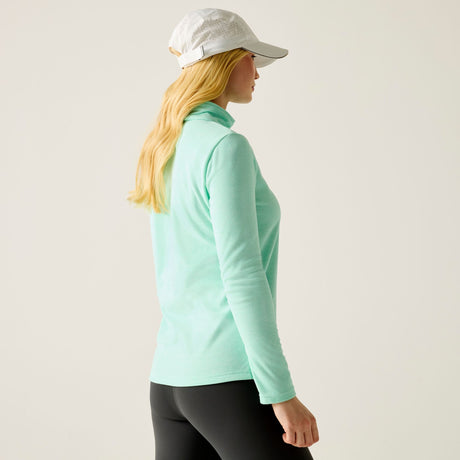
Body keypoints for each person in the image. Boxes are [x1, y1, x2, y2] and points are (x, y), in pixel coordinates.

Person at [127, 8, 320, 460]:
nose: (258, 72)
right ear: (227, 61)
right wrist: (281, 394)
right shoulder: (225, 147)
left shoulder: (164, 146)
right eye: (251, 58)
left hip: (170, 383)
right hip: (227, 379)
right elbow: (243, 275)